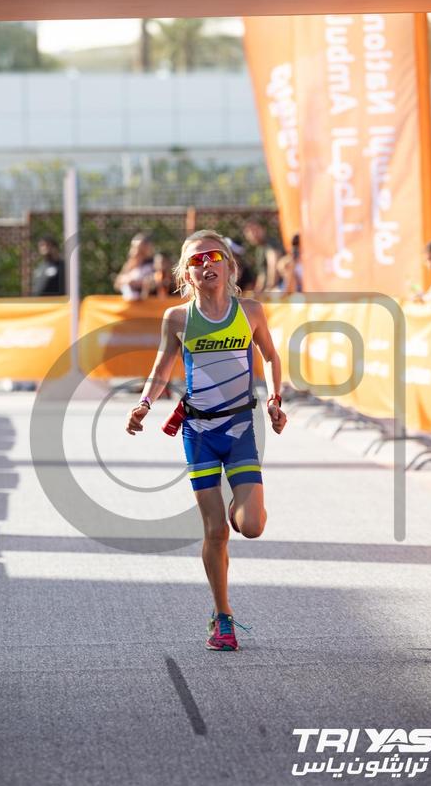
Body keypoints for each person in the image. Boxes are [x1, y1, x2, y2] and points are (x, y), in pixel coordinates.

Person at [125, 229, 287, 651]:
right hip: (199, 432)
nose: (206, 264)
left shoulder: (250, 311)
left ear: (229, 266)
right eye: (196, 261)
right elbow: (162, 368)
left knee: (251, 526)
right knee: (215, 531)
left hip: (239, 429)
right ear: (186, 274)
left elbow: (271, 356)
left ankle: (240, 505)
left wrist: (275, 398)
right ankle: (223, 616)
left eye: (213, 257)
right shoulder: (178, 319)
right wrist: (144, 404)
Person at [243, 217, 284, 296]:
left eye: (255, 230)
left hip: (280, 286)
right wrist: (257, 292)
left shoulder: (271, 244)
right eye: (249, 232)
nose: (253, 234)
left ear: (263, 229)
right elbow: (261, 274)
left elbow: (273, 266)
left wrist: (269, 288)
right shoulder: (259, 250)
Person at [113, 233, 155, 301]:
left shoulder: (154, 264)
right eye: (134, 247)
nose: (137, 251)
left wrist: (137, 283)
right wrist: (126, 280)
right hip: (129, 302)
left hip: (148, 302)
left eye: (140, 249)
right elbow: (117, 284)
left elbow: (155, 283)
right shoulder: (129, 264)